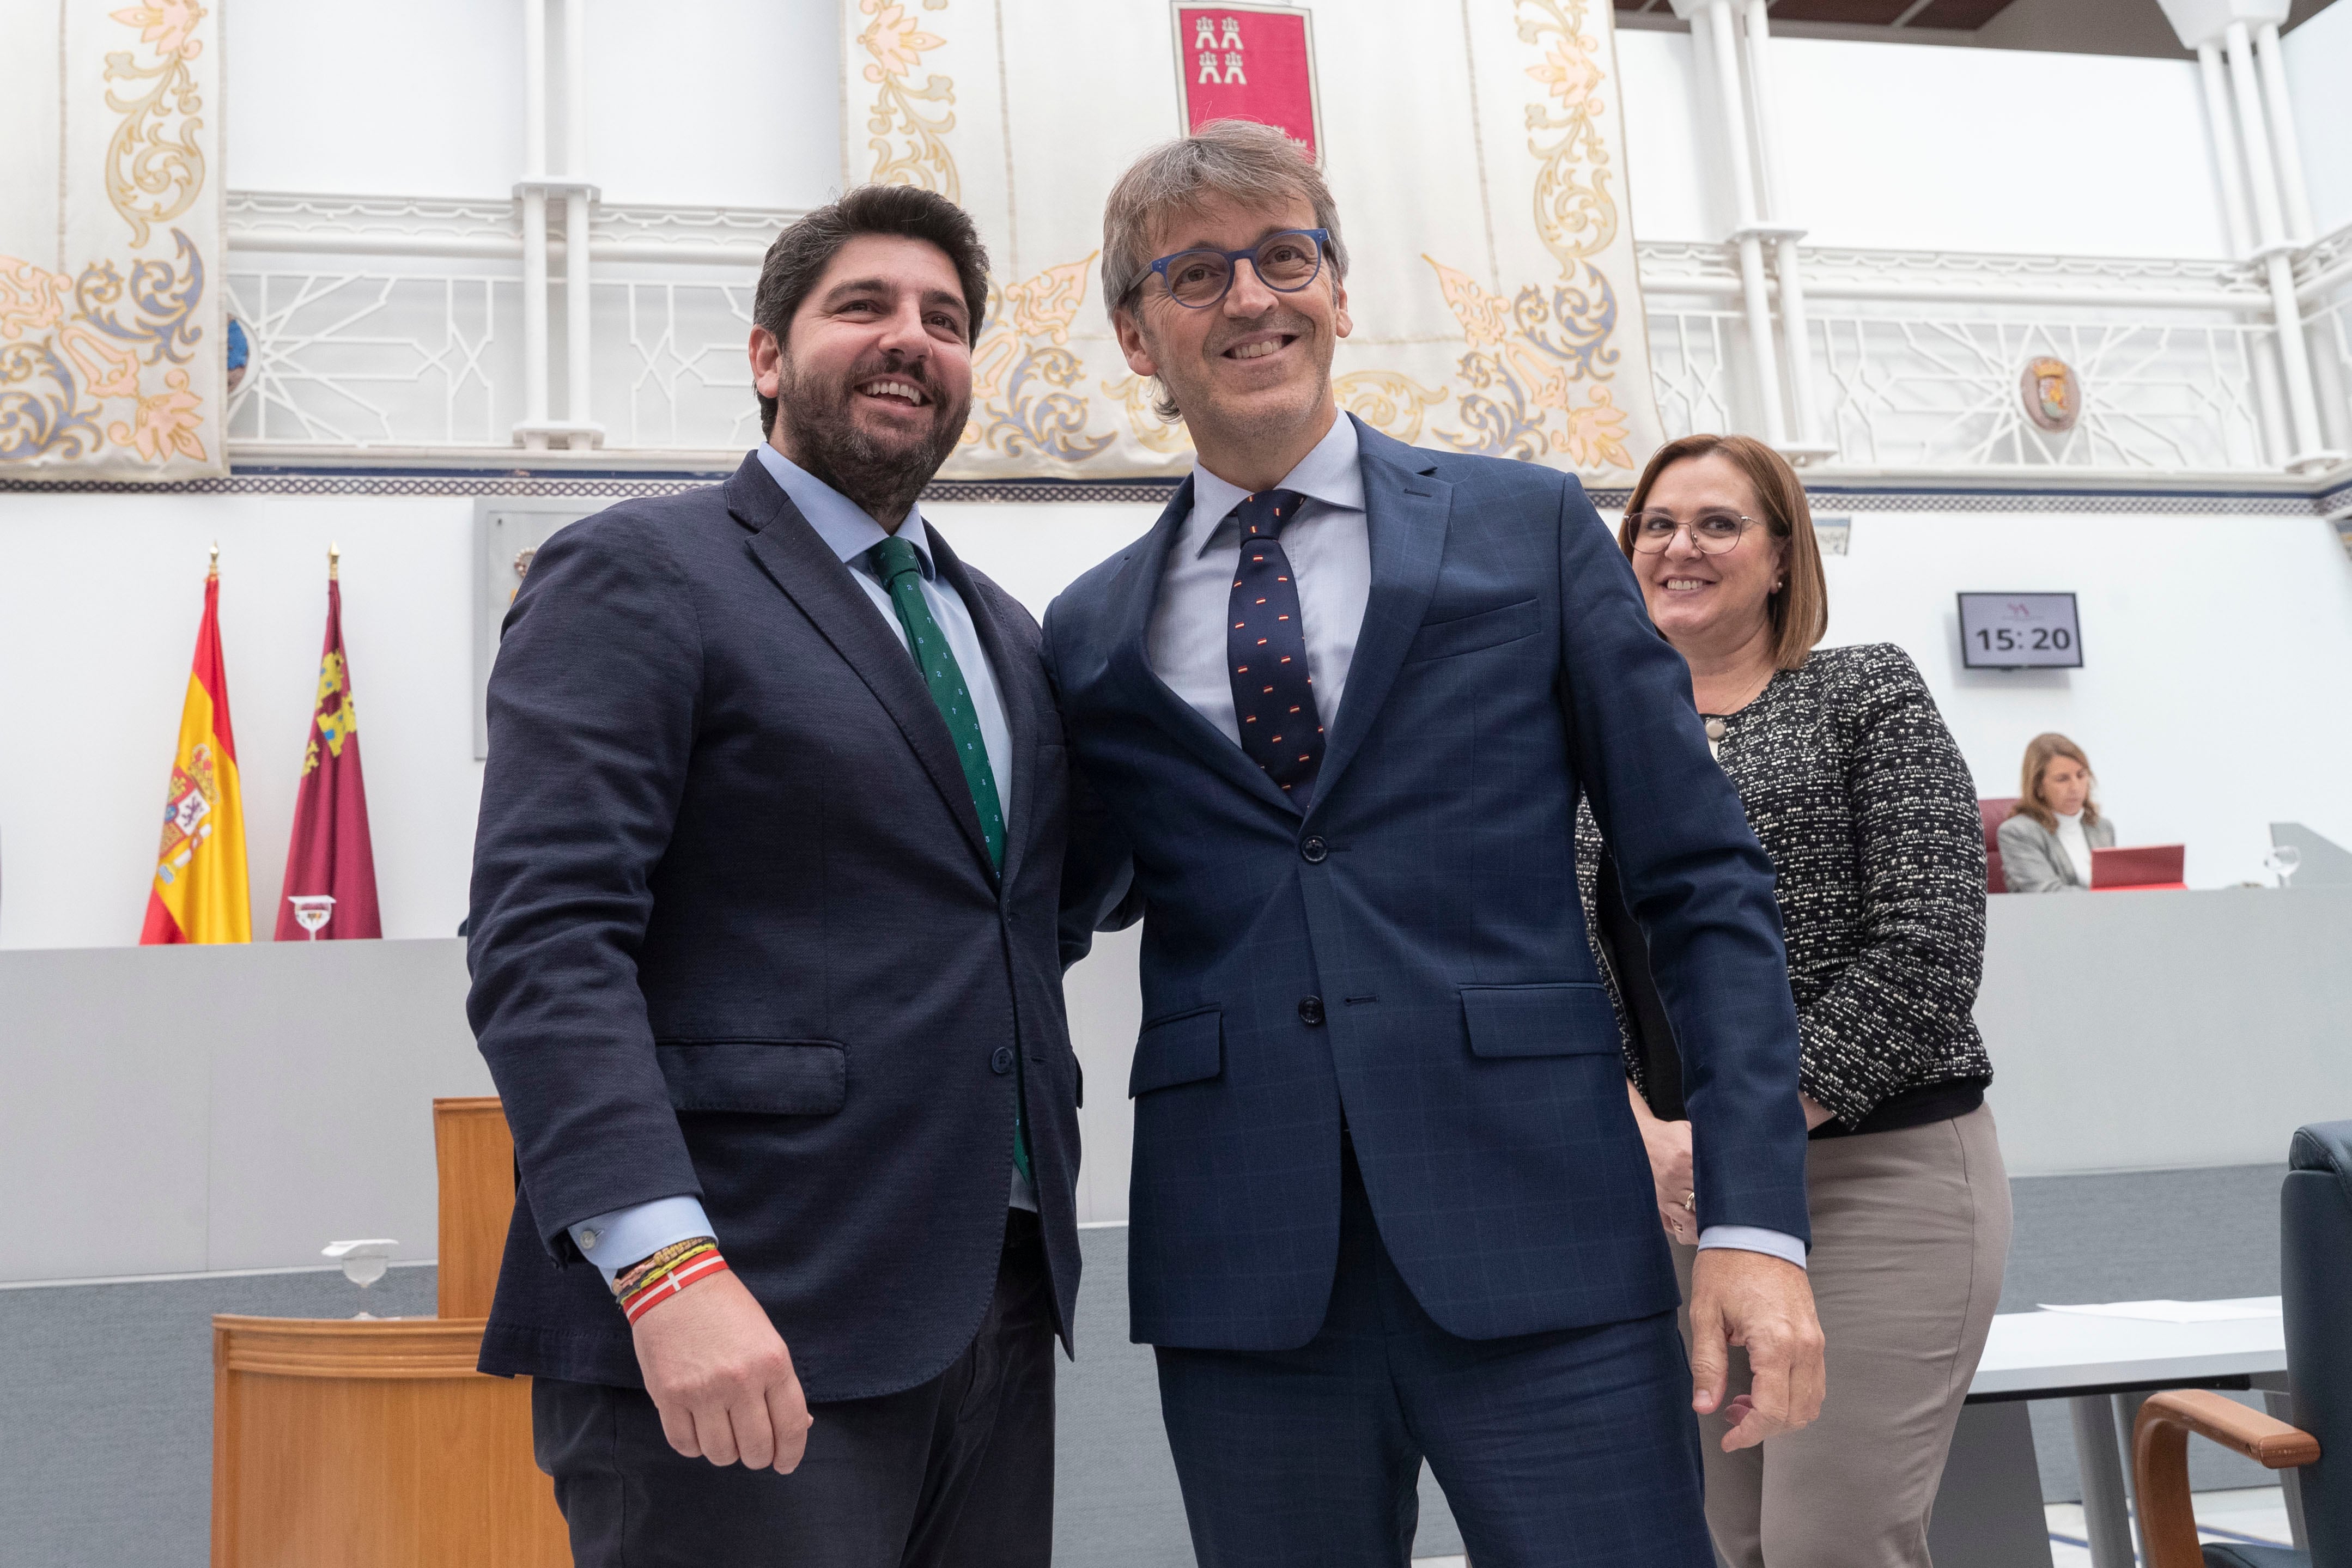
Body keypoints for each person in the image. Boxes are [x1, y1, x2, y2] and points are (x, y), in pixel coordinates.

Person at [1048, 120, 1825, 1568]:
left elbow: (1697, 881)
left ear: (1339, 293)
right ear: (1135, 336)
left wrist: (1754, 1221)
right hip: (1242, 1270)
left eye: (1286, 255)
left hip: (1544, 1234)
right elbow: (1050, 898)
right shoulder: (1090, 628)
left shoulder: (1520, 526)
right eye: (1197, 272)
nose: (1251, 296)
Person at [466, 185, 1082, 1568]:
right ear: (765, 357)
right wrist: (665, 1269)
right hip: (736, 1306)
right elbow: (544, 939)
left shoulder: (1001, 631)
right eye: (861, 305)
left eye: (944, 320)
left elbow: (1018, 926)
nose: (908, 339)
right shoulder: (640, 570)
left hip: (985, 1307)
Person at [1582, 433, 2009, 1568]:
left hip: (1878, 1177)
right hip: (1677, 1196)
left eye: (1717, 523)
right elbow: (1559, 970)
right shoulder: (1581, 741)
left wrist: (1739, 1133)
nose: (1678, 545)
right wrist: (1650, 1136)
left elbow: (1926, 955)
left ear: (1779, 557)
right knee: (1728, 1540)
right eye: (1655, 523)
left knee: (1829, 1541)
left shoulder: (1862, 692)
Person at [1997, 732, 2114, 892]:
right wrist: (2109, 899)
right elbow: (2048, 894)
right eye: (2062, 779)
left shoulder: (2102, 828)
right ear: (2038, 787)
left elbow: (2113, 886)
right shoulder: (2017, 833)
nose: (2076, 787)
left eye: (2081, 775)